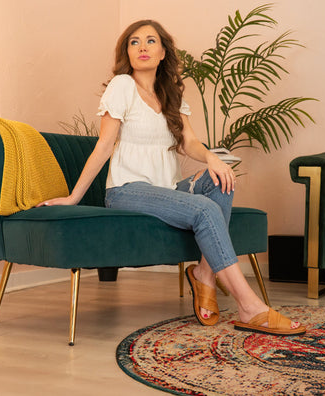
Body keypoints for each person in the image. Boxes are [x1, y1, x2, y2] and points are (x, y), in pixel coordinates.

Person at [38, 20, 304, 336]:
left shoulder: (172, 95)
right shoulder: (122, 86)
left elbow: (188, 142)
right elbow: (105, 144)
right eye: (134, 42)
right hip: (128, 190)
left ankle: (204, 274)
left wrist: (212, 159)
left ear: (163, 52)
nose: (142, 47)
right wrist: (73, 197)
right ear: (127, 51)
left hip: (166, 188)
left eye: (150, 41)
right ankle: (249, 306)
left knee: (220, 179)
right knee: (205, 209)